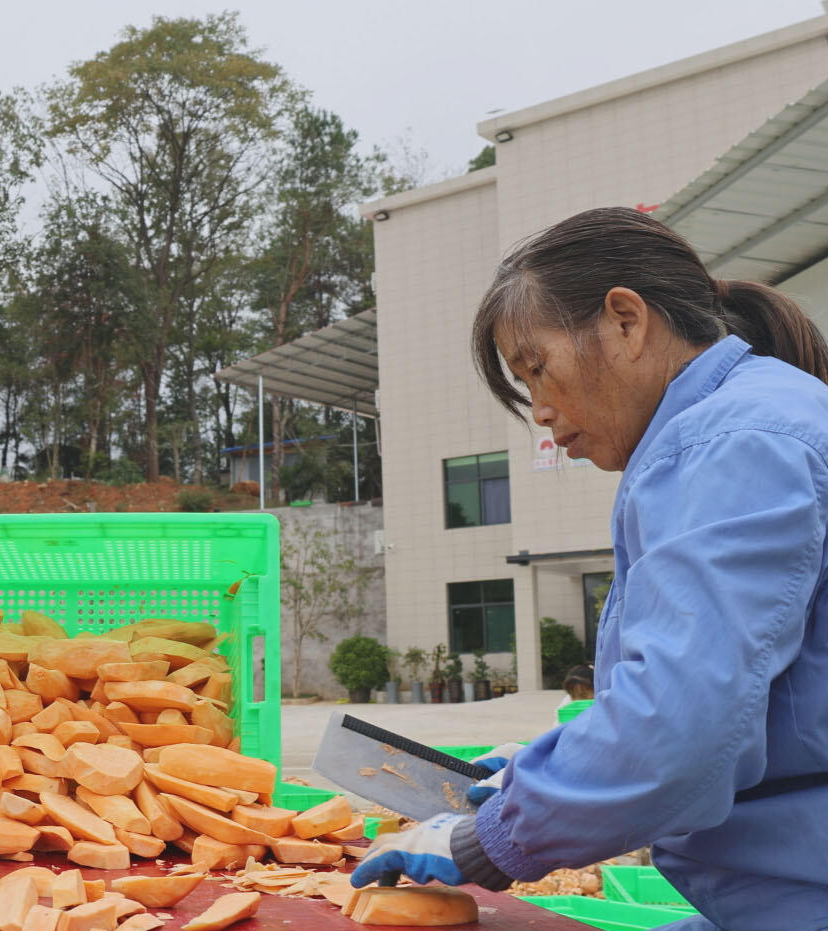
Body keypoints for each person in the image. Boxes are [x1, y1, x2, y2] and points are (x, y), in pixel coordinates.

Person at [350, 206, 828, 929]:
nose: (538, 410)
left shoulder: (729, 441)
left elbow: (678, 725)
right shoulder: (753, 418)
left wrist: (487, 839)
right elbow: (750, 697)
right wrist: (549, 762)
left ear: (626, 321)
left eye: (536, 369)